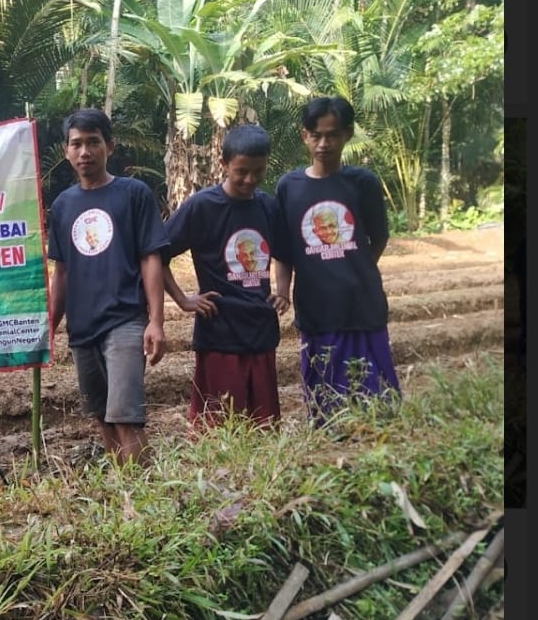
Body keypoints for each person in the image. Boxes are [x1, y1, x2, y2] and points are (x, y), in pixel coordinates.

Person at [47, 108, 168, 465]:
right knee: (102, 418)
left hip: (125, 322)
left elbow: (151, 258)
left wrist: (156, 321)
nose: (85, 152)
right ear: (67, 151)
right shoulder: (63, 205)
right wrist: (50, 329)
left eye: (93, 142)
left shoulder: (134, 194)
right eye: (77, 144)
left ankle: (146, 499)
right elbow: (62, 273)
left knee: (126, 417)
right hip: (82, 330)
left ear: (110, 146)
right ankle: (123, 498)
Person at [273, 96, 400, 421]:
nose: (324, 143)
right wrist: (283, 290)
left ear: (347, 134)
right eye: (316, 135)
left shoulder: (364, 183)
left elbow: (379, 236)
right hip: (316, 305)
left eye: (332, 135)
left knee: (374, 395)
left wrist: (358, 270)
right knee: (324, 392)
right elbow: (284, 249)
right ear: (305, 135)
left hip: (362, 302)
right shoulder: (289, 186)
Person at [160, 125, 289, 429]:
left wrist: (283, 289)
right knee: (218, 428)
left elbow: (285, 252)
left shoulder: (268, 206)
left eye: (258, 171)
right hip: (218, 331)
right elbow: (156, 255)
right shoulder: (202, 206)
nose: (250, 180)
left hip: (261, 329)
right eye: (241, 171)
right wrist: (183, 299)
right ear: (224, 164)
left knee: (264, 425)